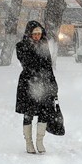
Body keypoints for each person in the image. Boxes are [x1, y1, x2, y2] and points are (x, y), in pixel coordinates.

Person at [15, 20, 58, 154]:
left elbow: (49, 66)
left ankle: (40, 141)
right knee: (28, 113)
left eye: (39, 33)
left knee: (44, 112)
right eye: (34, 34)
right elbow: (27, 63)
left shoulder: (44, 46)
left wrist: (53, 84)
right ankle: (29, 142)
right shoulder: (22, 46)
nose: (37, 36)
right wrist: (32, 46)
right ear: (29, 34)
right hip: (29, 84)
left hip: (44, 84)